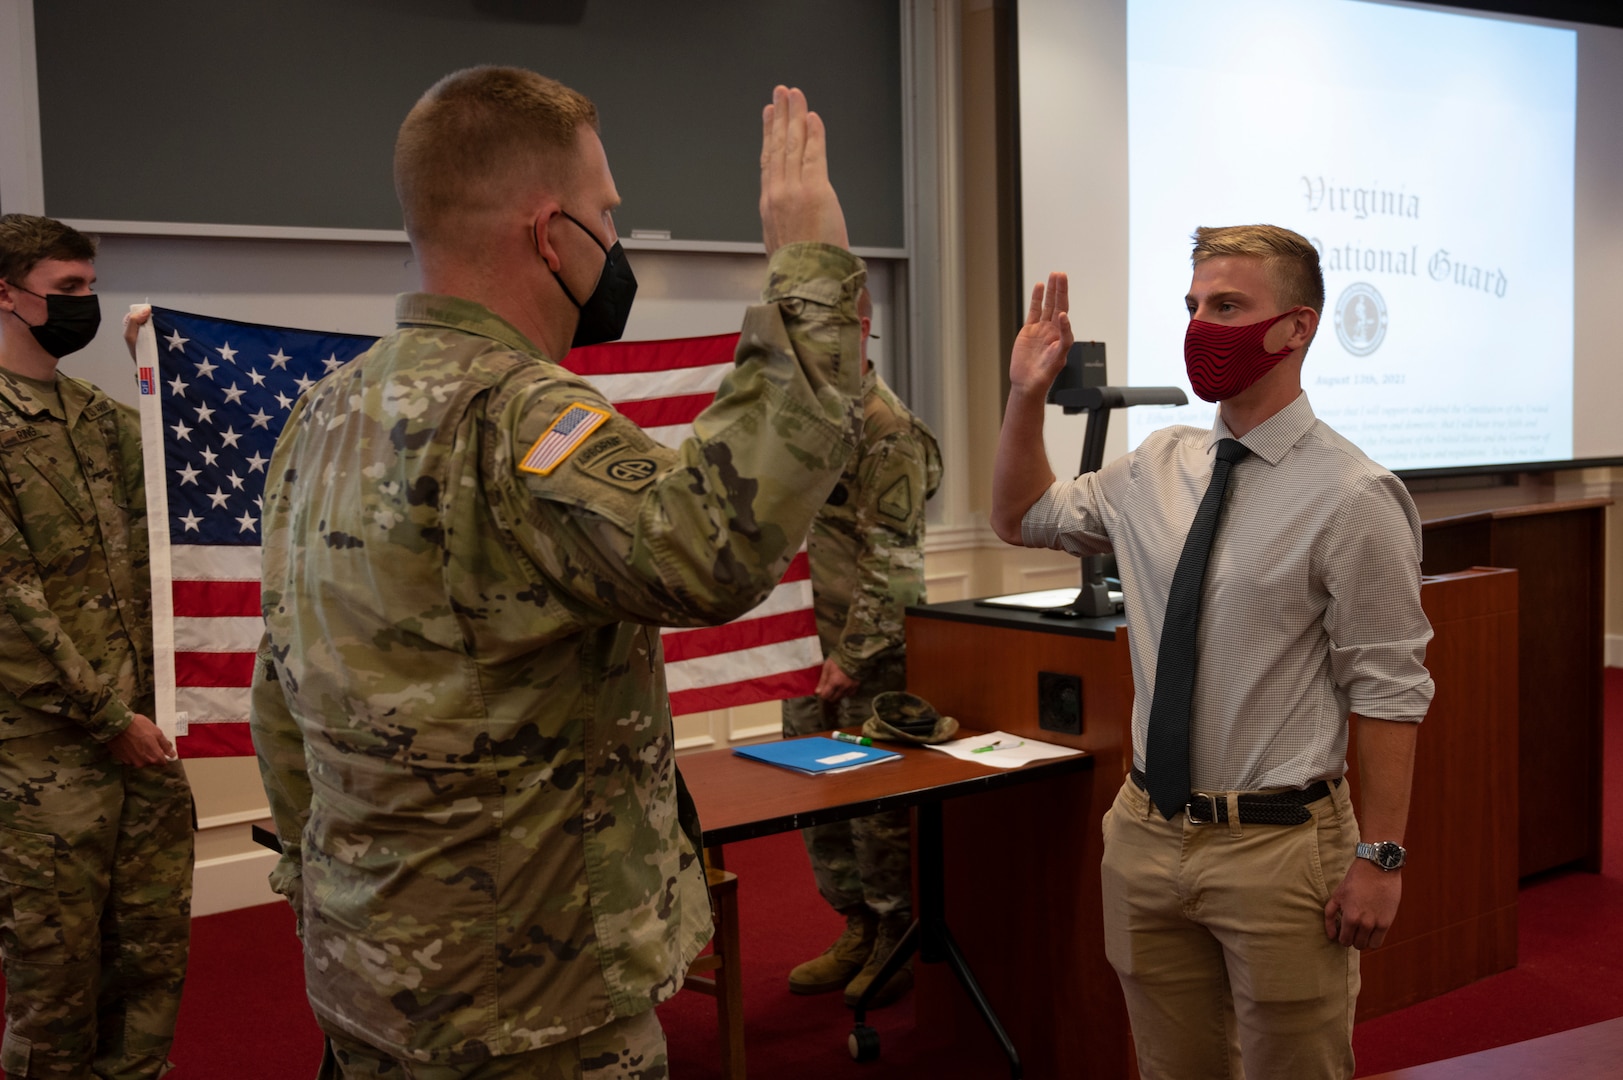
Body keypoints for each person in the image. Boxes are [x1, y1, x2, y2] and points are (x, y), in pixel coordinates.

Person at [248, 69, 866, 1079]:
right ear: (550, 234)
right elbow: (713, 548)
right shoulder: (519, 415)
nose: (617, 244)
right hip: (526, 1003)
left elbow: (280, 685)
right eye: (608, 215)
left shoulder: (322, 414)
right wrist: (812, 270)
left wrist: (330, 889)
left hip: (368, 972)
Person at [990, 225, 1434, 1079]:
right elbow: (1019, 517)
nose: (1201, 325)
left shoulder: (1354, 495)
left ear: (1295, 327)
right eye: (1193, 306)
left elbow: (1388, 691)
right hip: (1147, 835)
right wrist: (1022, 397)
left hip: (1275, 849)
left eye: (1227, 306)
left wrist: (1380, 859)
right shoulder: (1158, 462)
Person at [0, 214, 194, 1079]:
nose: (85, 302)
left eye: (89, 286)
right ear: (7, 294)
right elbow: (10, 606)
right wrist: (108, 714)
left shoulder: (97, 416)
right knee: (57, 988)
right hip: (47, 760)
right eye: (66, 290)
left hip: (144, 745)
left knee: (150, 965)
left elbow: (172, 529)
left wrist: (167, 369)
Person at [780, 286, 940, 1009]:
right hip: (803, 655)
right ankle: (852, 924)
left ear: (862, 329)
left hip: (867, 660)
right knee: (817, 804)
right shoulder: (797, 421)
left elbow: (895, 563)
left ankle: (893, 937)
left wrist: (849, 654)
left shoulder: (886, 428)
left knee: (876, 813)